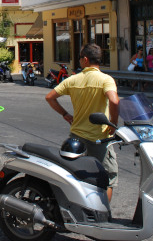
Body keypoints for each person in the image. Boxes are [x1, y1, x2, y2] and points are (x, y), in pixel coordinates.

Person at [45, 43, 119, 202]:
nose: (79, 61)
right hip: (100, 138)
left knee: (74, 176)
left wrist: (65, 114)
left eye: (79, 58)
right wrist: (113, 123)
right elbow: (114, 101)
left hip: (76, 137)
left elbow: (50, 97)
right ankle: (102, 214)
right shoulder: (106, 80)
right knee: (108, 178)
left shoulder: (73, 80)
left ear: (85, 59)